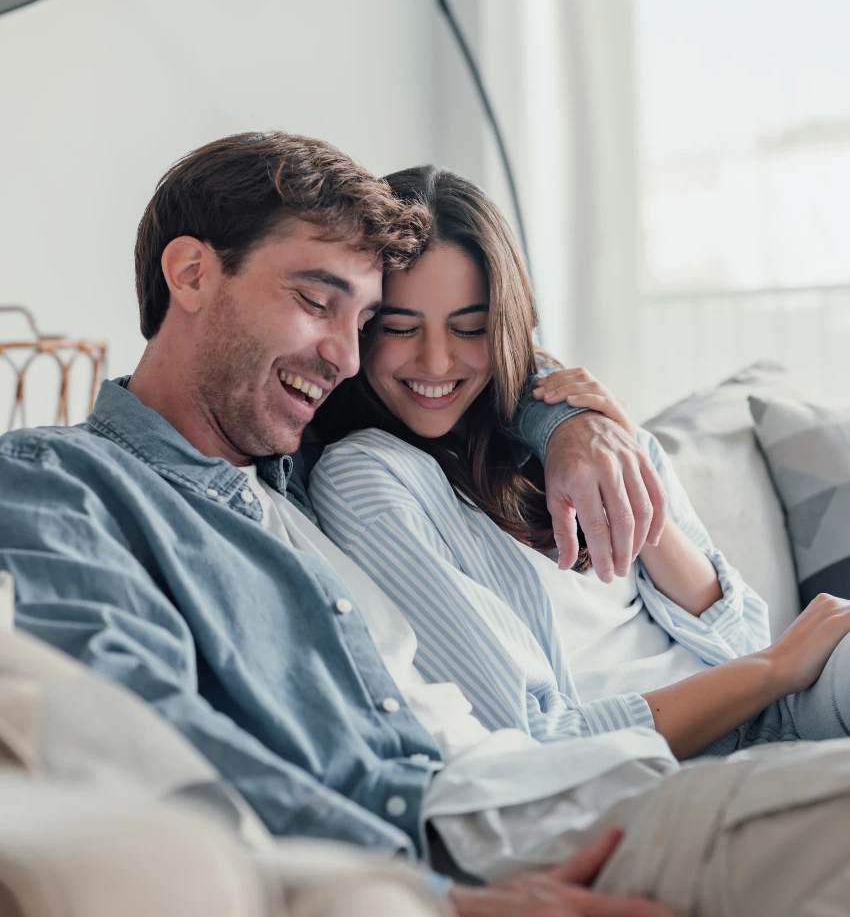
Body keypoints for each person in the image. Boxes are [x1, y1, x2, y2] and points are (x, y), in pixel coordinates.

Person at [3, 133, 850, 917]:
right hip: (492, 830)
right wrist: (433, 896)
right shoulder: (65, 481)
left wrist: (563, 421)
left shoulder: (289, 464)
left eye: (361, 322)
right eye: (317, 302)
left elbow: (472, 374)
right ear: (190, 273)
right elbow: (139, 736)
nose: (345, 357)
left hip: (553, 791)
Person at [308, 165, 850, 762]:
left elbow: (740, 636)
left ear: (508, 327)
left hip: (784, 708)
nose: (436, 362)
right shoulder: (365, 477)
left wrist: (618, 467)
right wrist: (774, 669)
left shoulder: (577, 426)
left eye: (471, 328)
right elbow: (535, 737)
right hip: (670, 763)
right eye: (400, 328)